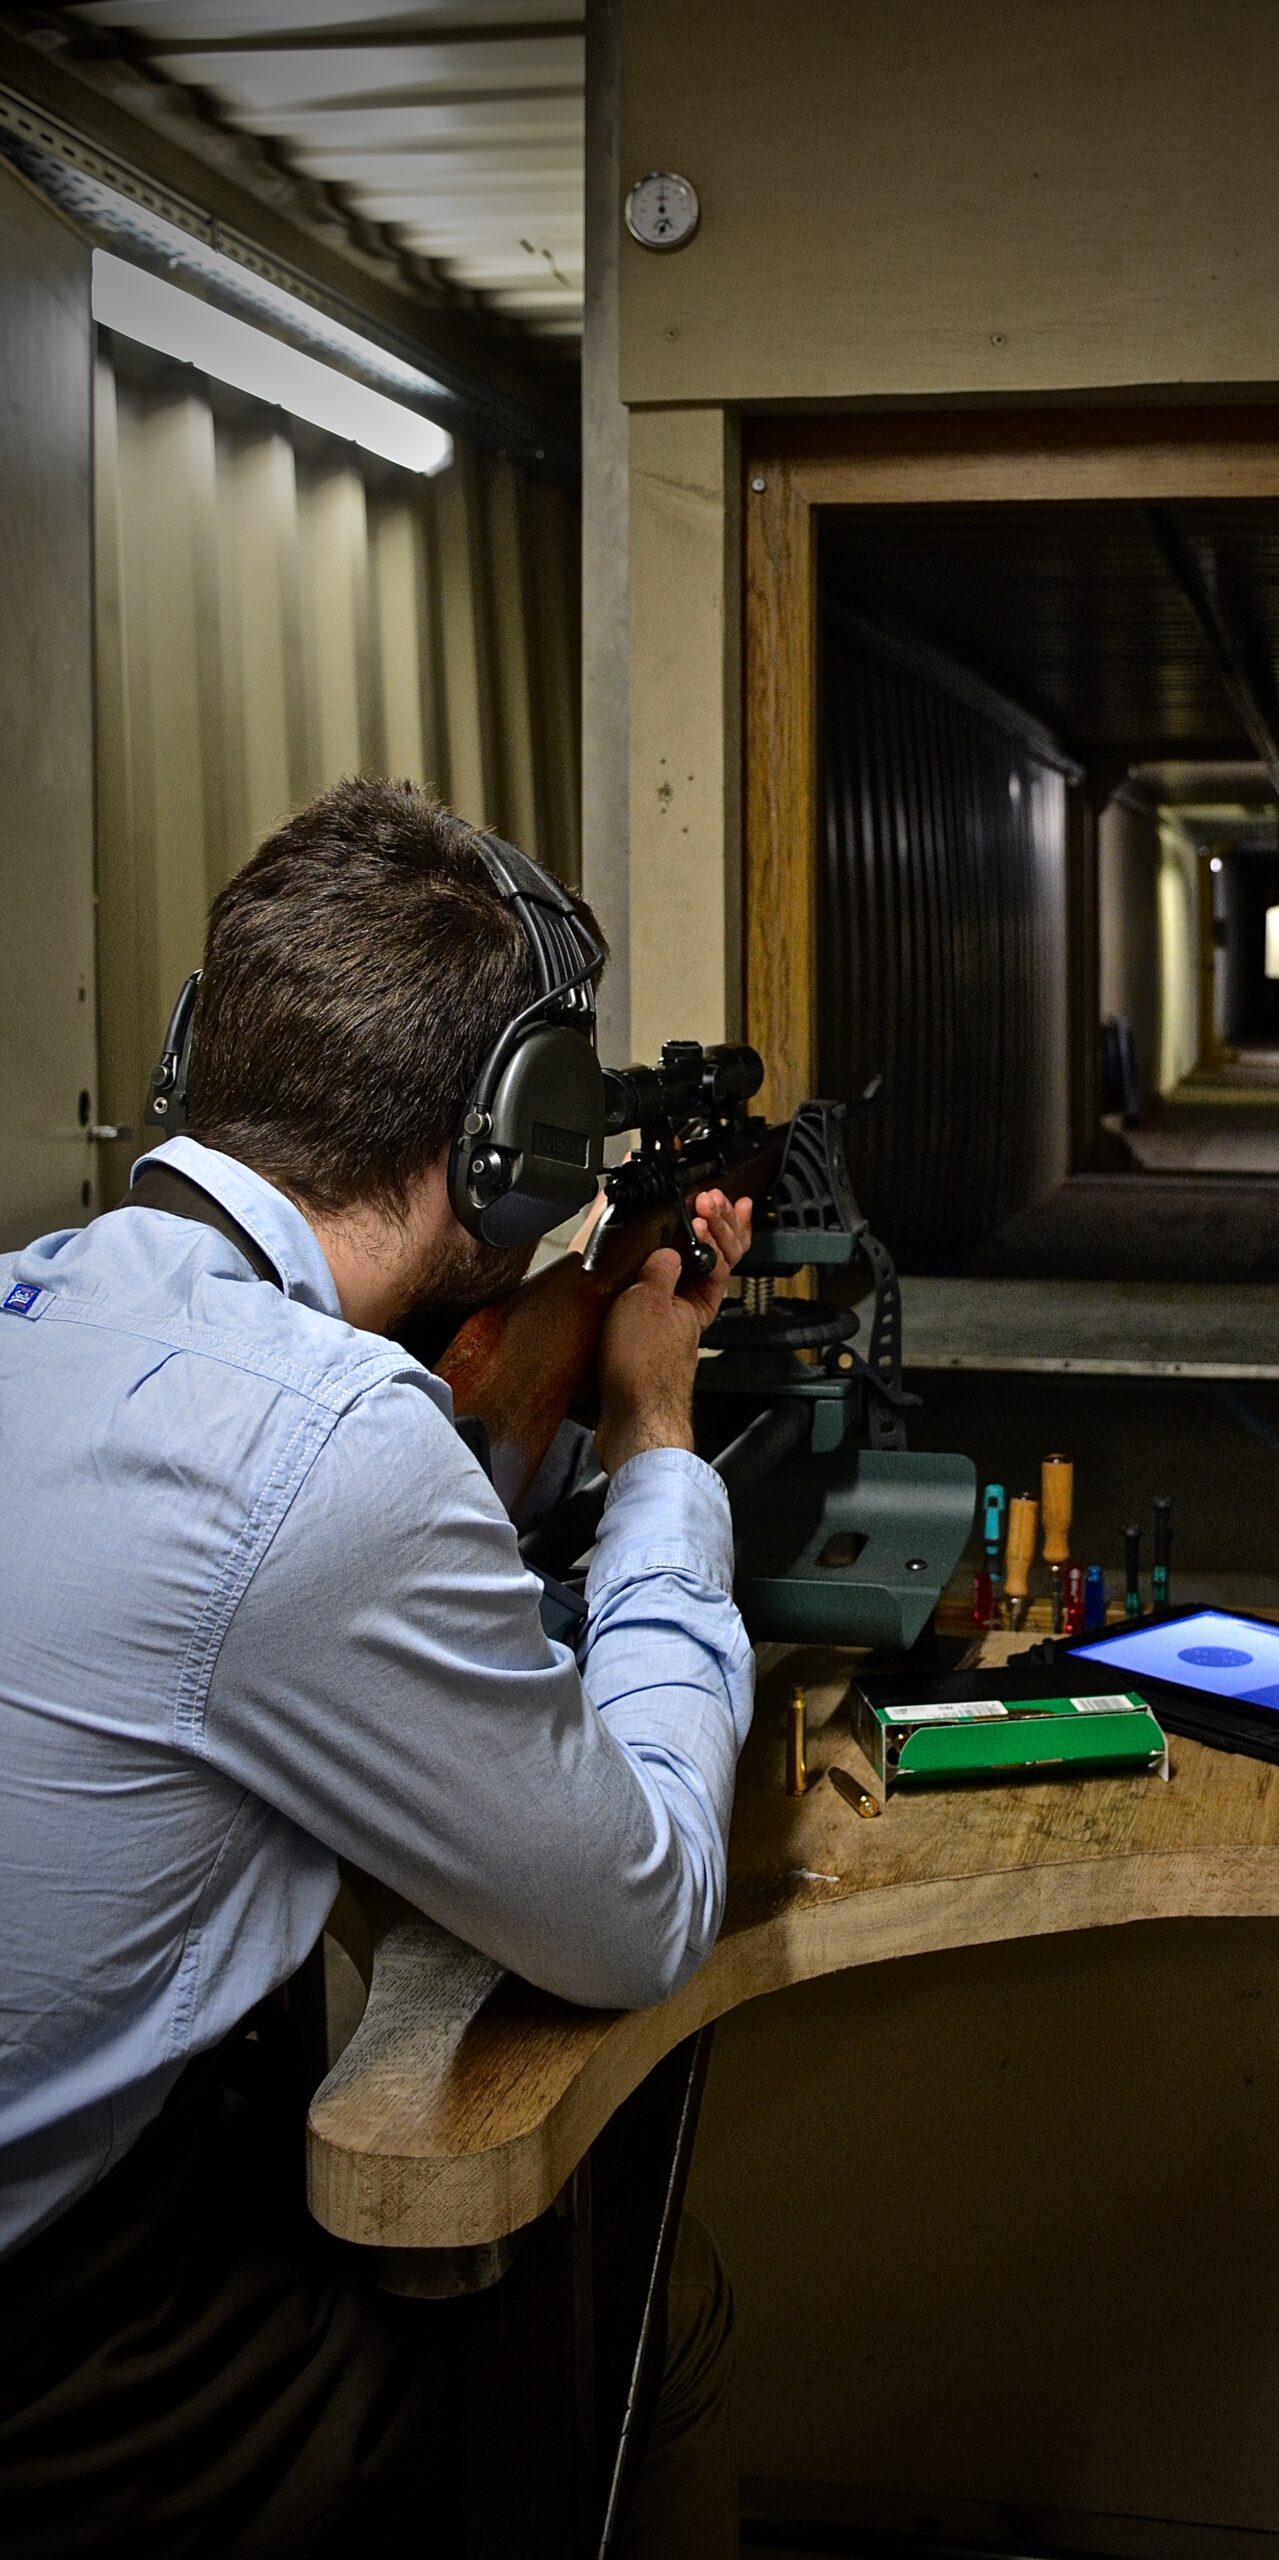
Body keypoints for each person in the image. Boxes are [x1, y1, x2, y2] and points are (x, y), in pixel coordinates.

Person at [0, 778, 754, 2557]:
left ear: (211, 1047)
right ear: (517, 1135)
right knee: (641, 2323)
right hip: (70, 2366)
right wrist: (649, 1429)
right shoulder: (329, 1443)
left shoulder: (39, 1292)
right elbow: (637, 1908)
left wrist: (526, 1381)